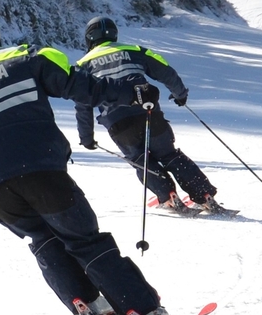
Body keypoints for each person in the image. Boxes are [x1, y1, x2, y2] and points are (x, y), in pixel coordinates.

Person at [0, 4, 176, 315]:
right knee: (84, 240)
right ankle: (149, 313)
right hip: (39, 170)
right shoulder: (26, 57)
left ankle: (90, 306)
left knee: (42, 239)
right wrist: (132, 92)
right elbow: (85, 86)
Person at [75, 16, 224, 215]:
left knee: (140, 159)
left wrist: (86, 138)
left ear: (89, 38)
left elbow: (82, 103)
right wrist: (180, 94)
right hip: (149, 112)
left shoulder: (83, 65)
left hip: (118, 123)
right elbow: (166, 71)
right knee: (170, 155)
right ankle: (204, 194)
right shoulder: (135, 51)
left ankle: (168, 196)